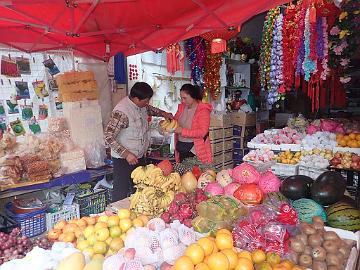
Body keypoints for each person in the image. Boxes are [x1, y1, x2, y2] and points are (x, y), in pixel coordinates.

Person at [105, 82, 173, 202]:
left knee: (140, 189)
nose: (147, 104)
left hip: (139, 156)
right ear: (136, 98)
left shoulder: (141, 106)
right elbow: (108, 136)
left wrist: (164, 114)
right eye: (145, 101)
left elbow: (151, 110)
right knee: (121, 190)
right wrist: (126, 154)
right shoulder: (121, 112)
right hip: (123, 160)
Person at [174, 84, 212, 163]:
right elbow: (175, 122)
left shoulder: (203, 110)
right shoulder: (181, 107)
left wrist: (182, 131)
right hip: (181, 148)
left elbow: (202, 132)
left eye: (185, 98)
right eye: (181, 98)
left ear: (193, 96)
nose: (183, 101)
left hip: (194, 150)